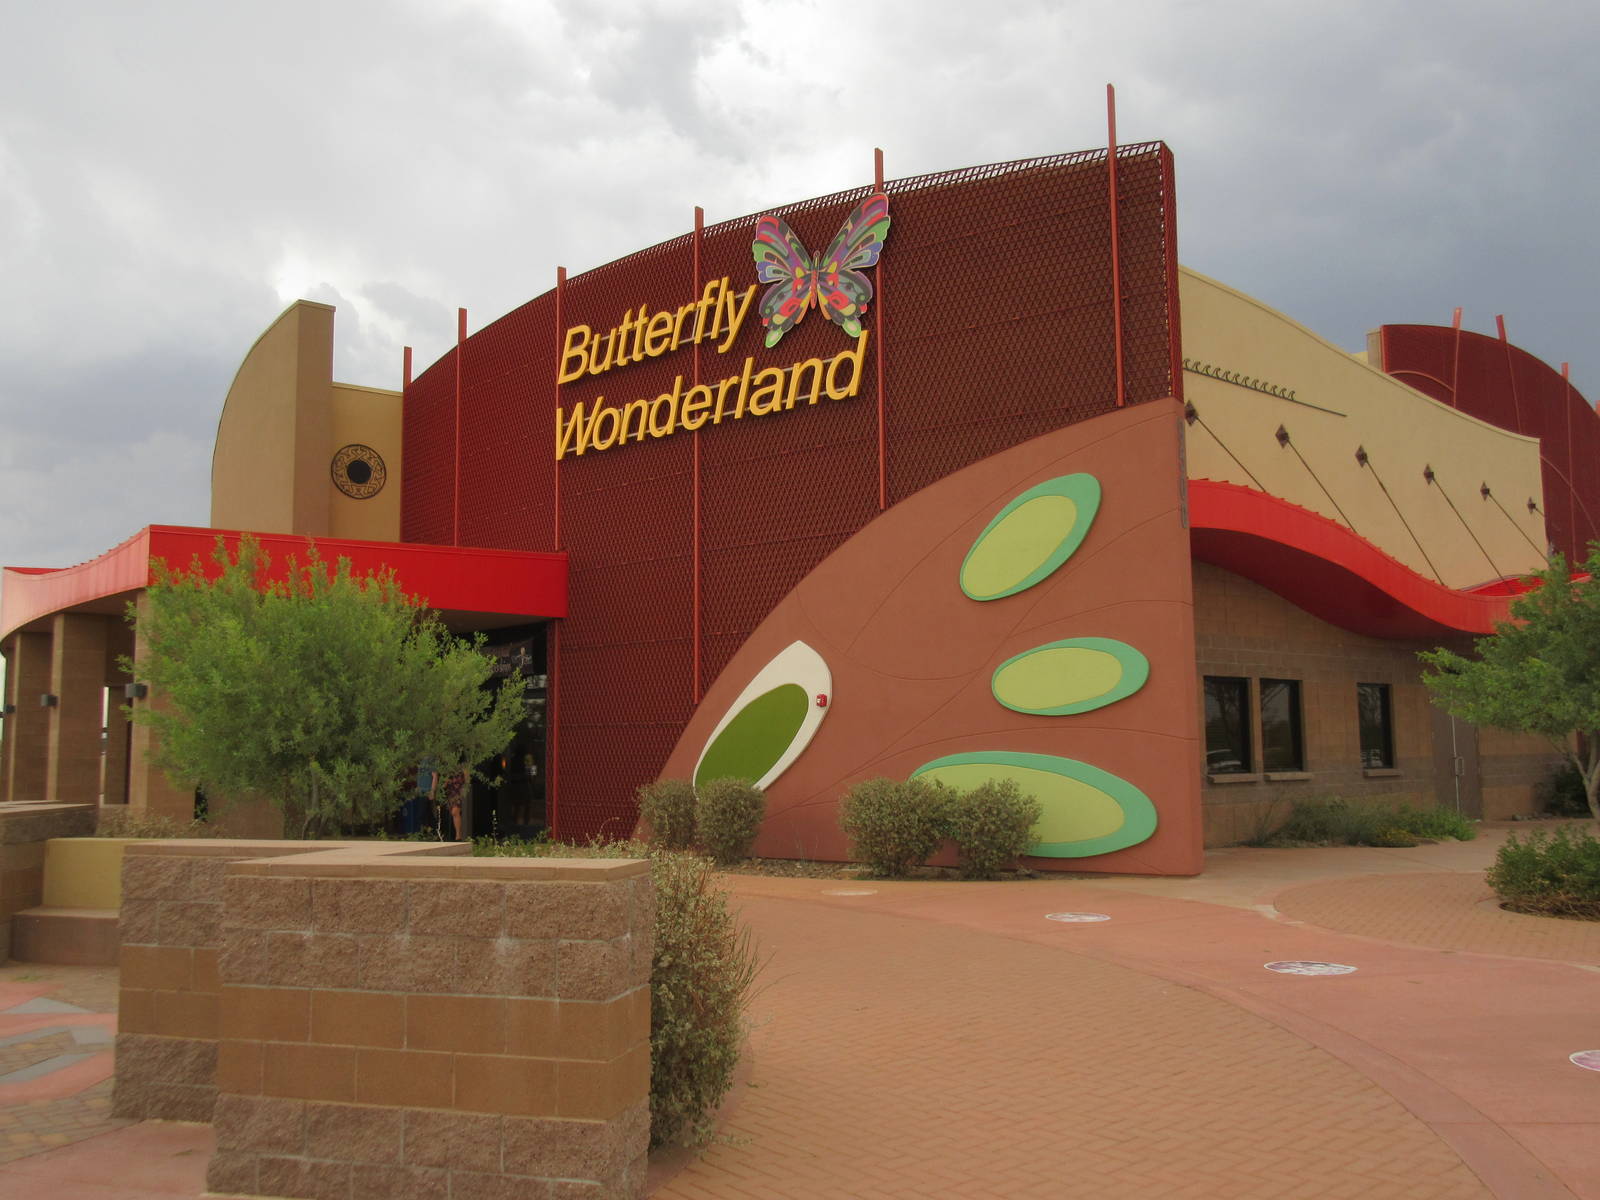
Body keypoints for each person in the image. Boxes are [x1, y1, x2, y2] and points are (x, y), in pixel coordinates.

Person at [441, 765, 468, 840]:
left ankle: (458, 835)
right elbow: (444, 785)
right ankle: (455, 835)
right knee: (452, 813)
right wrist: (446, 782)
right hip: (450, 793)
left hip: (459, 793)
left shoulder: (463, 768)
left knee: (455, 812)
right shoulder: (448, 769)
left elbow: (467, 781)